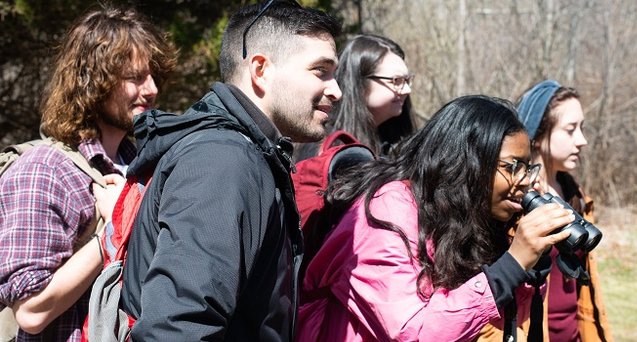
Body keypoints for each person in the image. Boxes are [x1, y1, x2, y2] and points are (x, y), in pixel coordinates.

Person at [119, 1, 342, 340]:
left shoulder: (246, 154)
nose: (336, 90)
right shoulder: (223, 160)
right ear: (261, 70)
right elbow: (178, 328)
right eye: (320, 71)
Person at [296, 95, 576, 341]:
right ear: (469, 161)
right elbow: (416, 333)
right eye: (513, 166)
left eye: (527, 167)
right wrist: (512, 265)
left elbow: (491, 323)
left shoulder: (463, 216)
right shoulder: (387, 211)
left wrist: (526, 264)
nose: (524, 181)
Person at [0, 7, 176, 341]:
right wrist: (114, 230)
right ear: (95, 81)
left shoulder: (142, 166)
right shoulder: (46, 172)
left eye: (153, 76)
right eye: (135, 77)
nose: (152, 89)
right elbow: (31, 310)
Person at [518, 80, 612, 341]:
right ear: (537, 134)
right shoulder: (513, 203)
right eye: (570, 130)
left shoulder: (575, 195)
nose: (582, 140)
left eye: (582, 128)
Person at [294, 34, 416, 161]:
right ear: (360, 83)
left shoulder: (396, 145)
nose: (407, 90)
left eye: (407, 80)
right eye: (396, 81)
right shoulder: (321, 146)